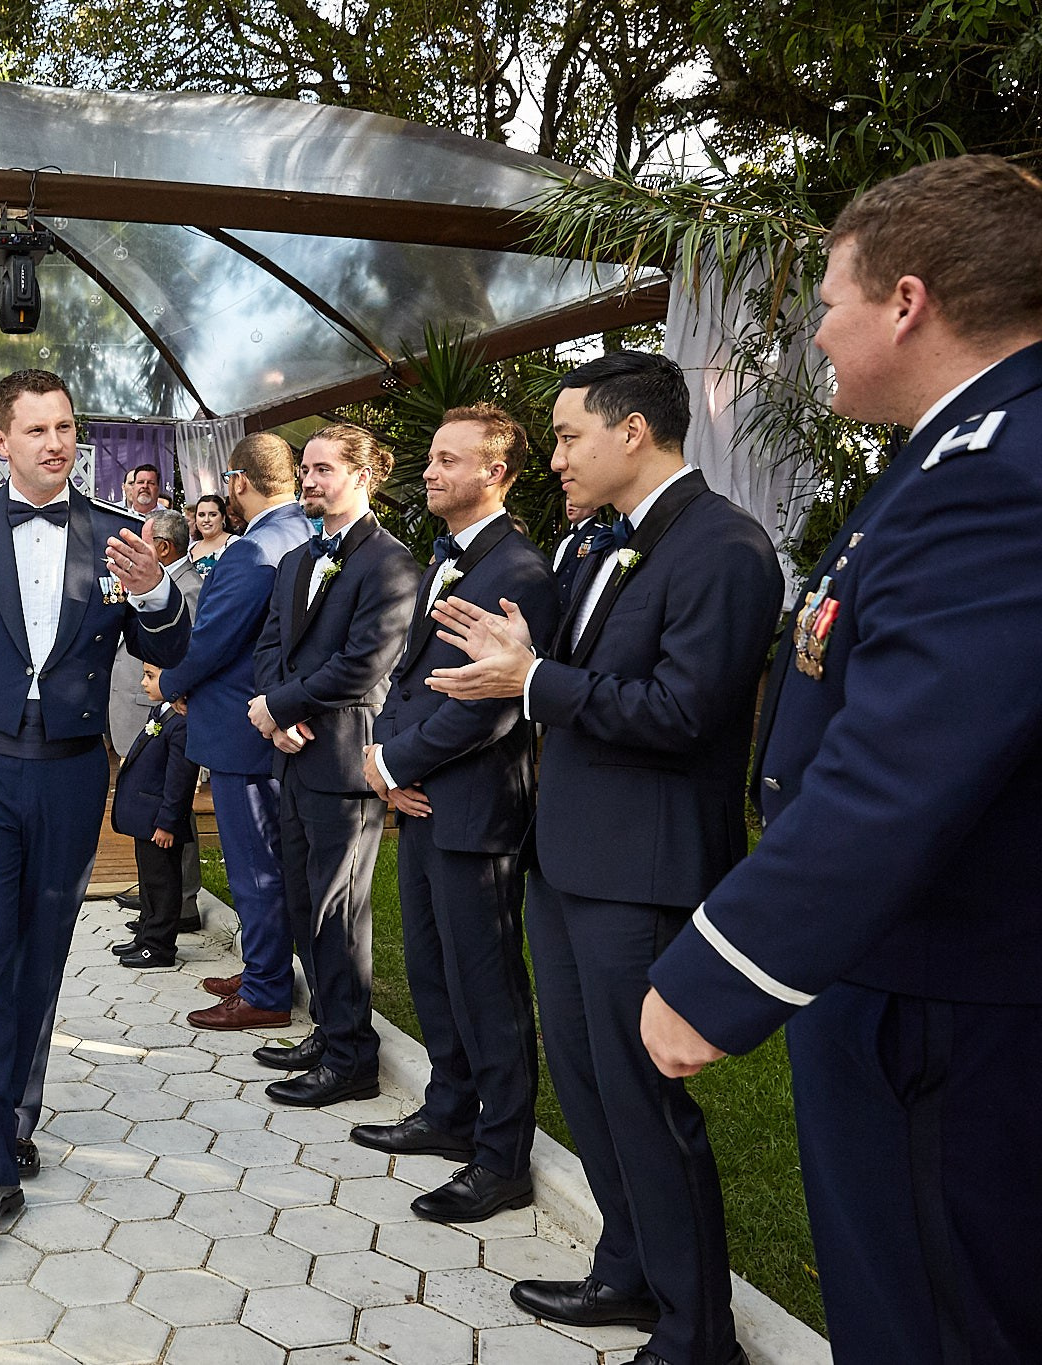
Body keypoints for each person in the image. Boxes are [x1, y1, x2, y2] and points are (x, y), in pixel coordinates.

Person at [641, 156, 1042, 1365]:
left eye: (826, 301)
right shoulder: (959, 454)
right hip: (938, 976)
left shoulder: (993, 475)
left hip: (942, 1000)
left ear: (905, 301)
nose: (814, 334)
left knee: (927, 1319)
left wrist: (722, 974)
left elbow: (904, 761)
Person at [427, 351, 781, 1365]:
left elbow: (679, 712)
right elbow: (577, 675)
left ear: (633, 432)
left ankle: (694, 1333)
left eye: (569, 436)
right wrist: (523, 660)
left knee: (642, 1097)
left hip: (645, 867)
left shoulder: (722, 548)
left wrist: (530, 680)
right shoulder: (595, 548)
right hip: (570, 855)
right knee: (585, 1085)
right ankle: (625, 1272)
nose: (555, 460)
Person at [0, 369, 192, 1237]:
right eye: (35, 430)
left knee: (41, 956)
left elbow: (171, 644)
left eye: (64, 427)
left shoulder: (119, 535)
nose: (55, 442)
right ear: (1, 441)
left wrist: (156, 590)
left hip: (69, 771)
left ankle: (15, 1118)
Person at [356, 405, 559, 1223]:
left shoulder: (519, 569)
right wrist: (383, 761)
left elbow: (491, 707)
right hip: (423, 799)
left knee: (488, 984)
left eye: (449, 459)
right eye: (432, 456)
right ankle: (448, 1110)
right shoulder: (450, 560)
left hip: (477, 808)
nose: (431, 470)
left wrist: (392, 761)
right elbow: (411, 680)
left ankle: (501, 1155)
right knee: (436, 971)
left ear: (496, 472)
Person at [246, 425, 418, 1106]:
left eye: (322, 469)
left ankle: (352, 1058)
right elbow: (269, 647)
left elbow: (364, 665)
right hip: (293, 756)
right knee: (301, 900)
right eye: (305, 470)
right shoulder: (294, 560)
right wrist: (276, 712)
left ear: (365, 475)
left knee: (337, 912)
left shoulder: (391, 563)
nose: (309, 481)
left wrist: (278, 707)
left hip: (348, 761)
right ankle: (328, 1026)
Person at [154, 435, 310, 1022]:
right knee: (271, 856)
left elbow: (212, 639)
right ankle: (264, 967)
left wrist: (167, 685)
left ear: (238, 481)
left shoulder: (253, 551)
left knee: (253, 862)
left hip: (241, 726)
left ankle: (267, 989)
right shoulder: (304, 533)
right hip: (272, 719)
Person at [107, 508, 202, 955]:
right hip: (143, 704)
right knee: (150, 811)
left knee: (169, 810)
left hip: (167, 707)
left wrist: (175, 691)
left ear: (162, 547)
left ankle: (178, 904)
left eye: (142, 541)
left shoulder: (190, 586)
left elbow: (188, 648)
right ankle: (155, 907)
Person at [111, 671, 199, 968]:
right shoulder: (160, 712)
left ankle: (159, 946)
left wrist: (168, 822)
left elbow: (179, 780)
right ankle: (145, 935)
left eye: (150, 676)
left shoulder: (181, 724)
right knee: (149, 881)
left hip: (160, 822)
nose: (142, 682)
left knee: (163, 884)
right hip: (146, 821)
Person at [189, 492, 232, 574]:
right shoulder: (190, 549)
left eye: (213, 515)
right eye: (201, 515)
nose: (206, 520)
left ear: (223, 518)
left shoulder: (235, 544)